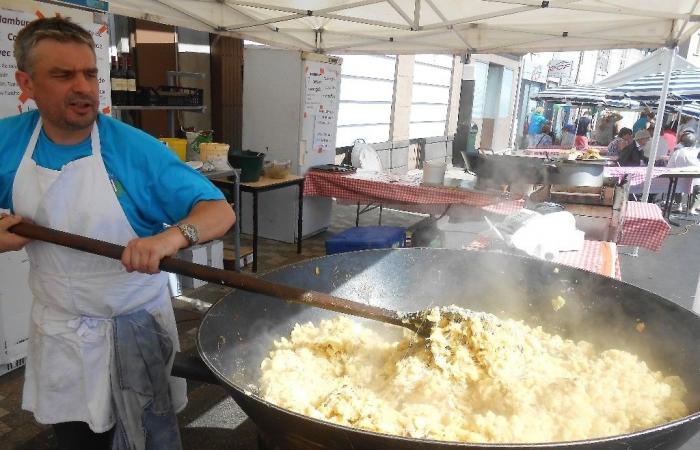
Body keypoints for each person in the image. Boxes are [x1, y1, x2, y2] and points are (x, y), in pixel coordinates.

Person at [0, 18, 235, 450]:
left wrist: (171, 238)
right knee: (76, 439)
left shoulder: (133, 148)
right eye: (63, 75)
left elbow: (218, 211)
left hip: (133, 327)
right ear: (26, 83)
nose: (84, 88)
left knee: (145, 436)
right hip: (59, 332)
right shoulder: (8, 142)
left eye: (90, 73)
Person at [667, 131, 700, 214]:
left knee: (676, 185)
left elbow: (669, 166)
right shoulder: (697, 152)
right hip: (695, 180)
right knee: (698, 188)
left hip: (679, 180)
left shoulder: (678, 152)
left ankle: (679, 205)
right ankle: (692, 208)